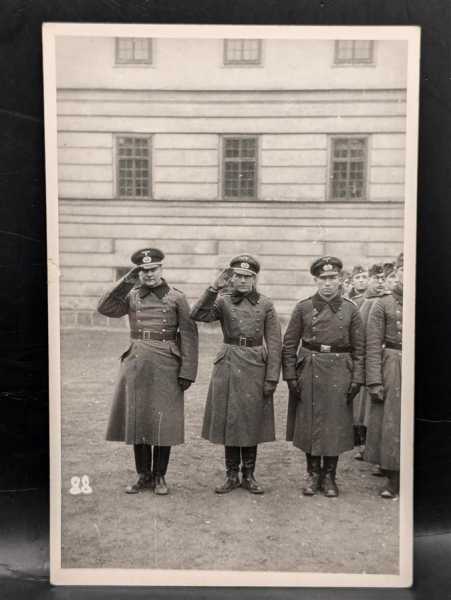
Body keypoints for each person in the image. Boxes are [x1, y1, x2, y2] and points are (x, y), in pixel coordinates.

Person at [97, 248, 199, 495]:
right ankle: (143, 475)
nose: (149, 275)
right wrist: (126, 280)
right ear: (137, 273)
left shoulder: (176, 298)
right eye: (143, 271)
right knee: (139, 420)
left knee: (164, 423)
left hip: (167, 364)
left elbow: (188, 335)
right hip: (137, 363)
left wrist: (188, 371)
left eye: (153, 269)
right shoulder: (132, 295)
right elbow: (105, 307)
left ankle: (160, 476)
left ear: (161, 269)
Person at [190, 255, 282, 495]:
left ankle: (249, 475)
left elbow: (274, 342)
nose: (242, 280)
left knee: (251, 420)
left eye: (247, 276)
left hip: (255, 364)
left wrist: (272, 376)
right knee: (230, 420)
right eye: (238, 276)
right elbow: (197, 315)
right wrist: (213, 288)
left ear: (254, 278)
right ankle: (231, 475)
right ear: (232, 277)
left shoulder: (265, 304)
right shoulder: (223, 301)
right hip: (229, 362)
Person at [282, 256, 364, 498]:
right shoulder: (303, 307)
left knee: (334, 424)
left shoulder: (351, 309)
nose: (328, 283)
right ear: (316, 280)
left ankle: (329, 475)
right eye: (323, 279)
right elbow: (289, 344)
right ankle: (312, 473)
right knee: (309, 422)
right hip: (309, 367)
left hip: (340, 369)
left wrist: (357, 379)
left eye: (333, 278)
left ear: (340, 280)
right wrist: (290, 376)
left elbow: (360, 348)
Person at [364, 253, 403, 498]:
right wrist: (374, 380)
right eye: (403, 270)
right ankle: (393, 478)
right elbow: (372, 343)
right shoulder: (384, 304)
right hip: (393, 363)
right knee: (392, 421)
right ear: (397, 273)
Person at [353, 263, 388, 460]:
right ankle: (363, 441)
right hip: (370, 356)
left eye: (385, 278)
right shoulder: (366, 303)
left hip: (386, 358)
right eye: (378, 278)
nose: (381, 282)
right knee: (365, 403)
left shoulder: (387, 301)